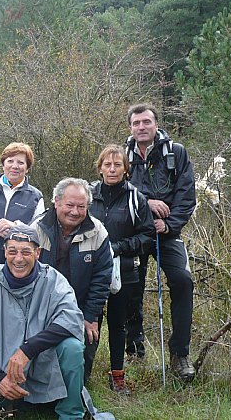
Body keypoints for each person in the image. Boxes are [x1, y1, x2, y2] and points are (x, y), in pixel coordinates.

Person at [0, 225, 85, 419]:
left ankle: (70, 413)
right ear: (4, 252)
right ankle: (20, 399)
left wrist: (27, 350)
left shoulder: (54, 280)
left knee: (72, 347)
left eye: (26, 252)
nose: (18, 259)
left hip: (42, 363)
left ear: (38, 253)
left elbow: (70, 319)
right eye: (12, 251)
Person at [124, 103, 196, 381]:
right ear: (130, 127)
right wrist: (146, 203)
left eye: (146, 122)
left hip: (167, 235)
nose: (141, 127)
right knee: (131, 287)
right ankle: (133, 348)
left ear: (156, 124)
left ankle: (180, 354)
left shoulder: (175, 153)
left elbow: (186, 195)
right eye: (136, 123)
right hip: (135, 234)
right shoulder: (123, 156)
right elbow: (115, 190)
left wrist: (168, 224)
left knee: (182, 281)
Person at [30, 177, 112, 382]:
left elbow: (102, 277)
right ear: (56, 202)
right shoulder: (37, 228)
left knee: (79, 371)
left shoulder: (98, 231)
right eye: (69, 205)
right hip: (41, 305)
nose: (75, 212)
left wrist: (91, 316)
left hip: (80, 305)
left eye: (81, 206)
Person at [89, 145, 155, 394]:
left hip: (124, 269)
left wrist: (115, 248)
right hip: (91, 269)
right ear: (100, 168)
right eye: (108, 164)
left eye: (118, 165)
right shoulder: (88, 194)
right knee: (90, 319)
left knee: (118, 324)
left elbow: (147, 235)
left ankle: (117, 376)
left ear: (126, 169)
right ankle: (84, 372)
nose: (112, 169)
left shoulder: (135, 198)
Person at [0, 142, 45, 269]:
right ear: (3, 164)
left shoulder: (36, 196)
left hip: (18, 265)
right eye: (10, 161)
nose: (15, 166)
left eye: (20, 162)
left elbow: (37, 233)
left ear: (27, 167)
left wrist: (14, 226)